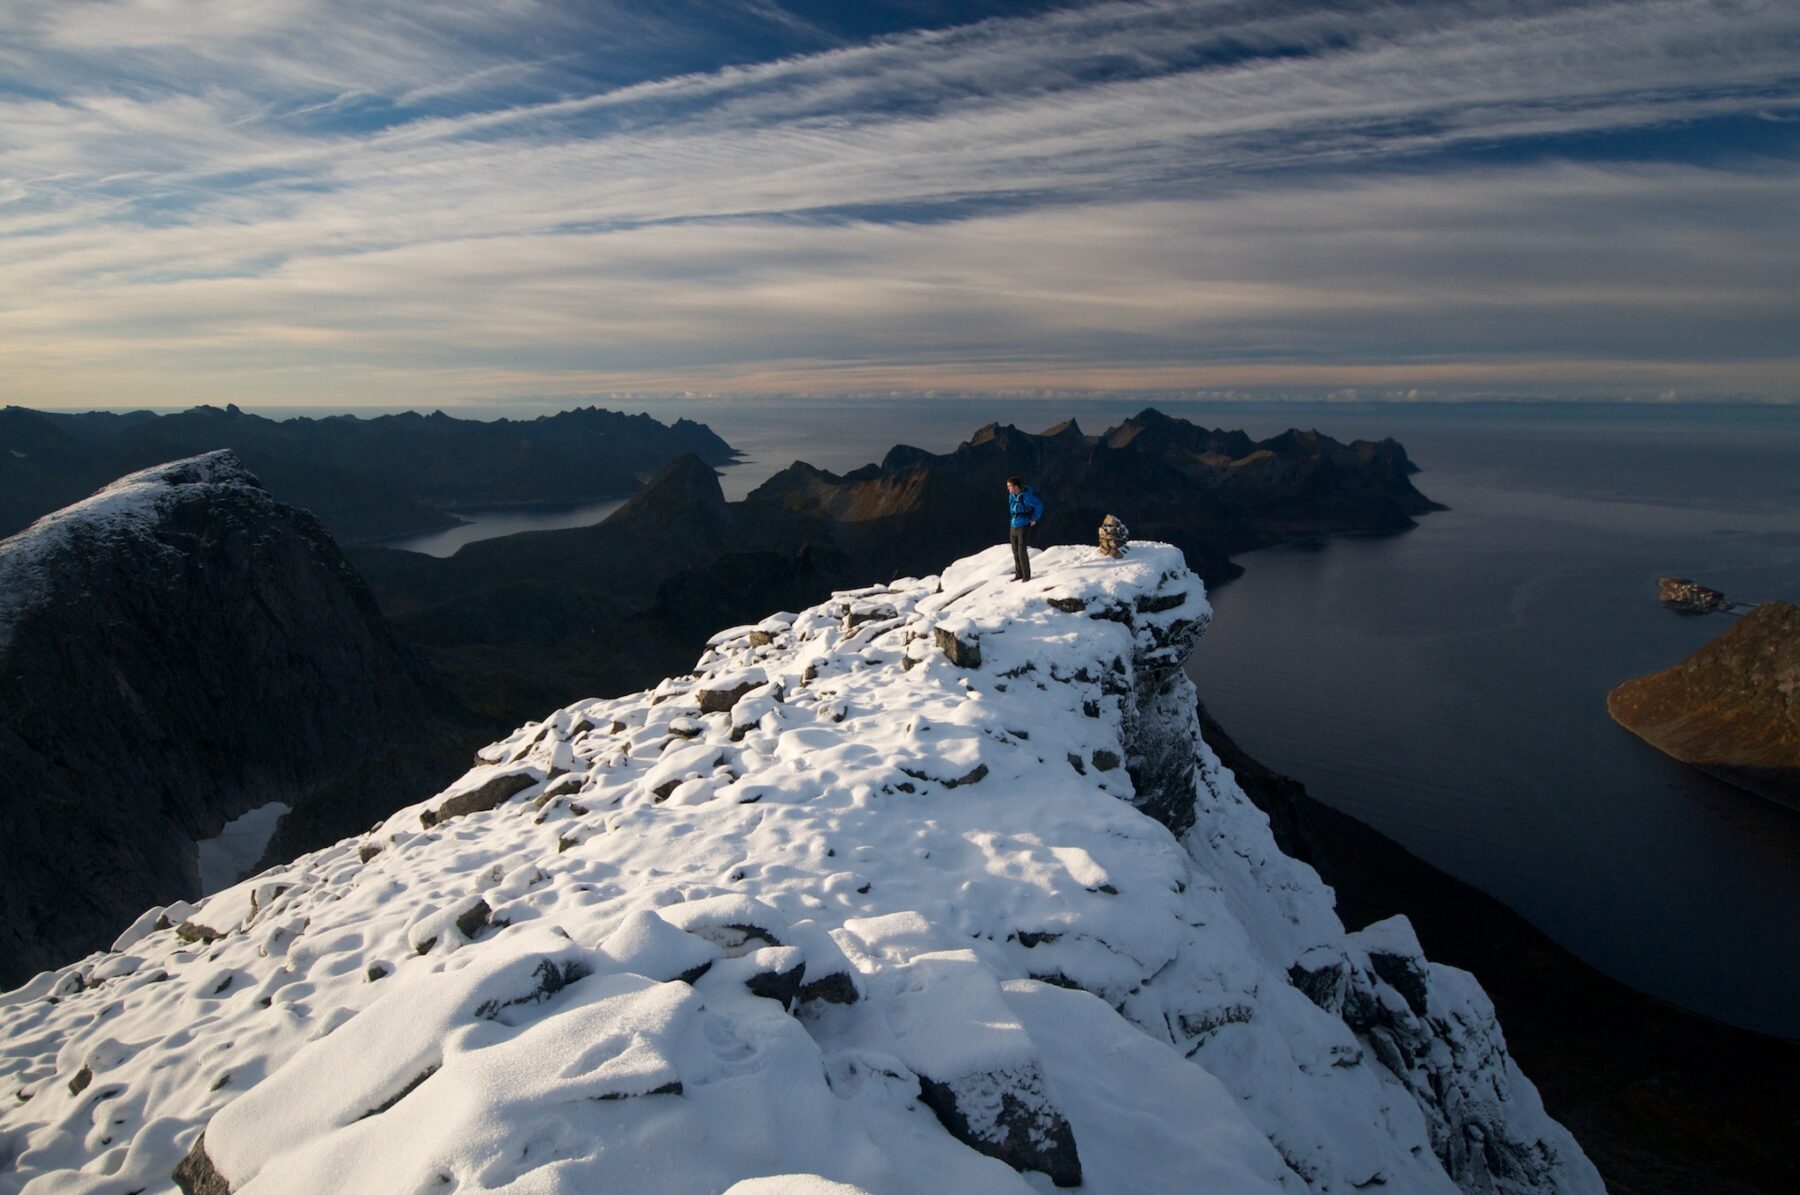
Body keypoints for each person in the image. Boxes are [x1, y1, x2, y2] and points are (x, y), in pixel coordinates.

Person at [1005, 476, 1044, 581]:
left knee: (1021, 550)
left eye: (1009, 486)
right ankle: (1019, 574)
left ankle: (1026, 575)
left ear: (1016, 486)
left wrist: (1034, 518)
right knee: (1015, 551)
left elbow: (1039, 505)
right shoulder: (1012, 495)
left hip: (1023, 524)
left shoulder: (1027, 497)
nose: (1008, 488)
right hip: (1014, 524)